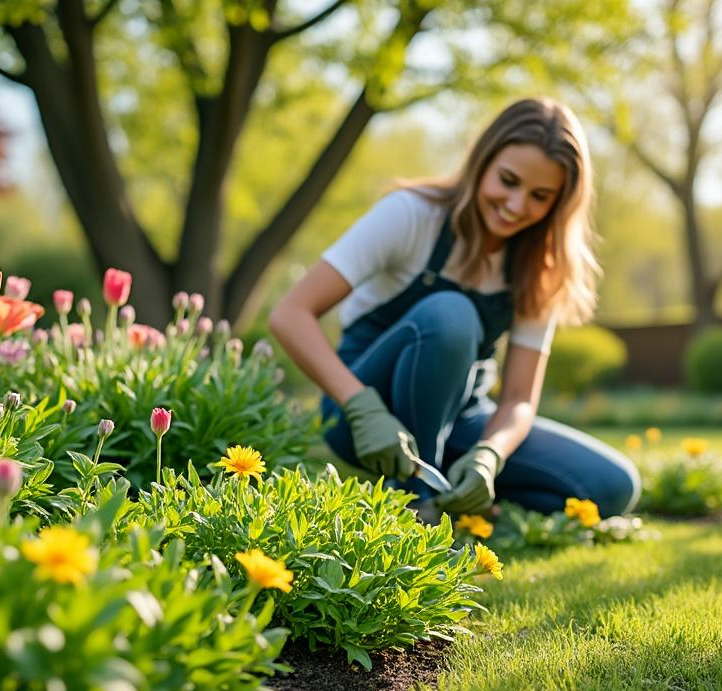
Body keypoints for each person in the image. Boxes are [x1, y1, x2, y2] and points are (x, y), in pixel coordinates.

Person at [268, 97, 639, 520]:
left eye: (539, 196)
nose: (516, 205)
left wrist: (489, 455)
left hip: (461, 418)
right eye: (508, 180)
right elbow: (291, 314)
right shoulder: (411, 215)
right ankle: (414, 503)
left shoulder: (538, 266)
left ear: (558, 204)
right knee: (451, 313)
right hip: (360, 411)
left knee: (612, 486)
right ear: (482, 162)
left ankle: (464, 500)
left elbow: (518, 398)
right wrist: (362, 407)